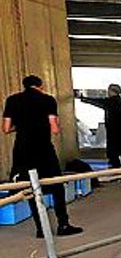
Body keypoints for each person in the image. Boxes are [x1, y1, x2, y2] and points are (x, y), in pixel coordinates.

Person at [2, 75, 83, 237]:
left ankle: (41, 229)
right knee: (56, 185)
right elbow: (54, 128)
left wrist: (22, 127)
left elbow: (6, 128)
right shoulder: (48, 100)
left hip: (22, 150)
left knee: (31, 187)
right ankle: (63, 224)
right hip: (43, 149)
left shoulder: (12, 100)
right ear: (40, 86)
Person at [80, 84, 121, 176]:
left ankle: (117, 171)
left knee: (113, 153)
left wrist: (83, 98)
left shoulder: (111, 102)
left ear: (111, 91)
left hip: (115, 133)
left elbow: (97, 102)